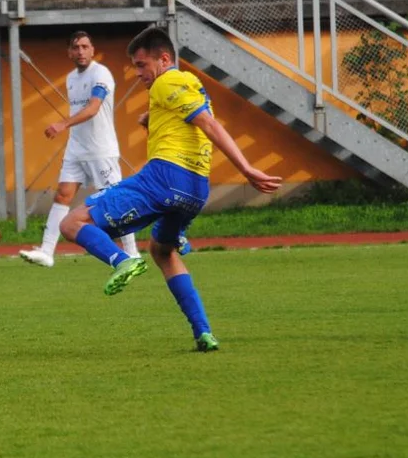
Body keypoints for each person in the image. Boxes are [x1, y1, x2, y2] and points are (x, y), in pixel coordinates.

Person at [54, 27, 281, 351]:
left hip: (163, 179)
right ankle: (203, 332)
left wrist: (245, 168)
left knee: (72, 223)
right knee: (163, 251)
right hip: (195, 190)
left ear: (164, 59)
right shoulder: (190, 84)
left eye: (143, 65)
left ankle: (121, 260)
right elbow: (191, 125)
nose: (139, 73)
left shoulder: (167, 81)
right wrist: (154, 120)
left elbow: (209, 125)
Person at [19, 31, 140, 268]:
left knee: (115, 200)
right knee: (62, 195)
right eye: (76, 47)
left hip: (100, 150)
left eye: (85, 46)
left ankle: (133, 252)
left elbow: (94, 107)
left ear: (92, 50)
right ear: (69, 52)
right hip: (76, 149)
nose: (81, 51)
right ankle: (47, 251)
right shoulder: (71, 78)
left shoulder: (101, 73)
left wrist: (63, 124)